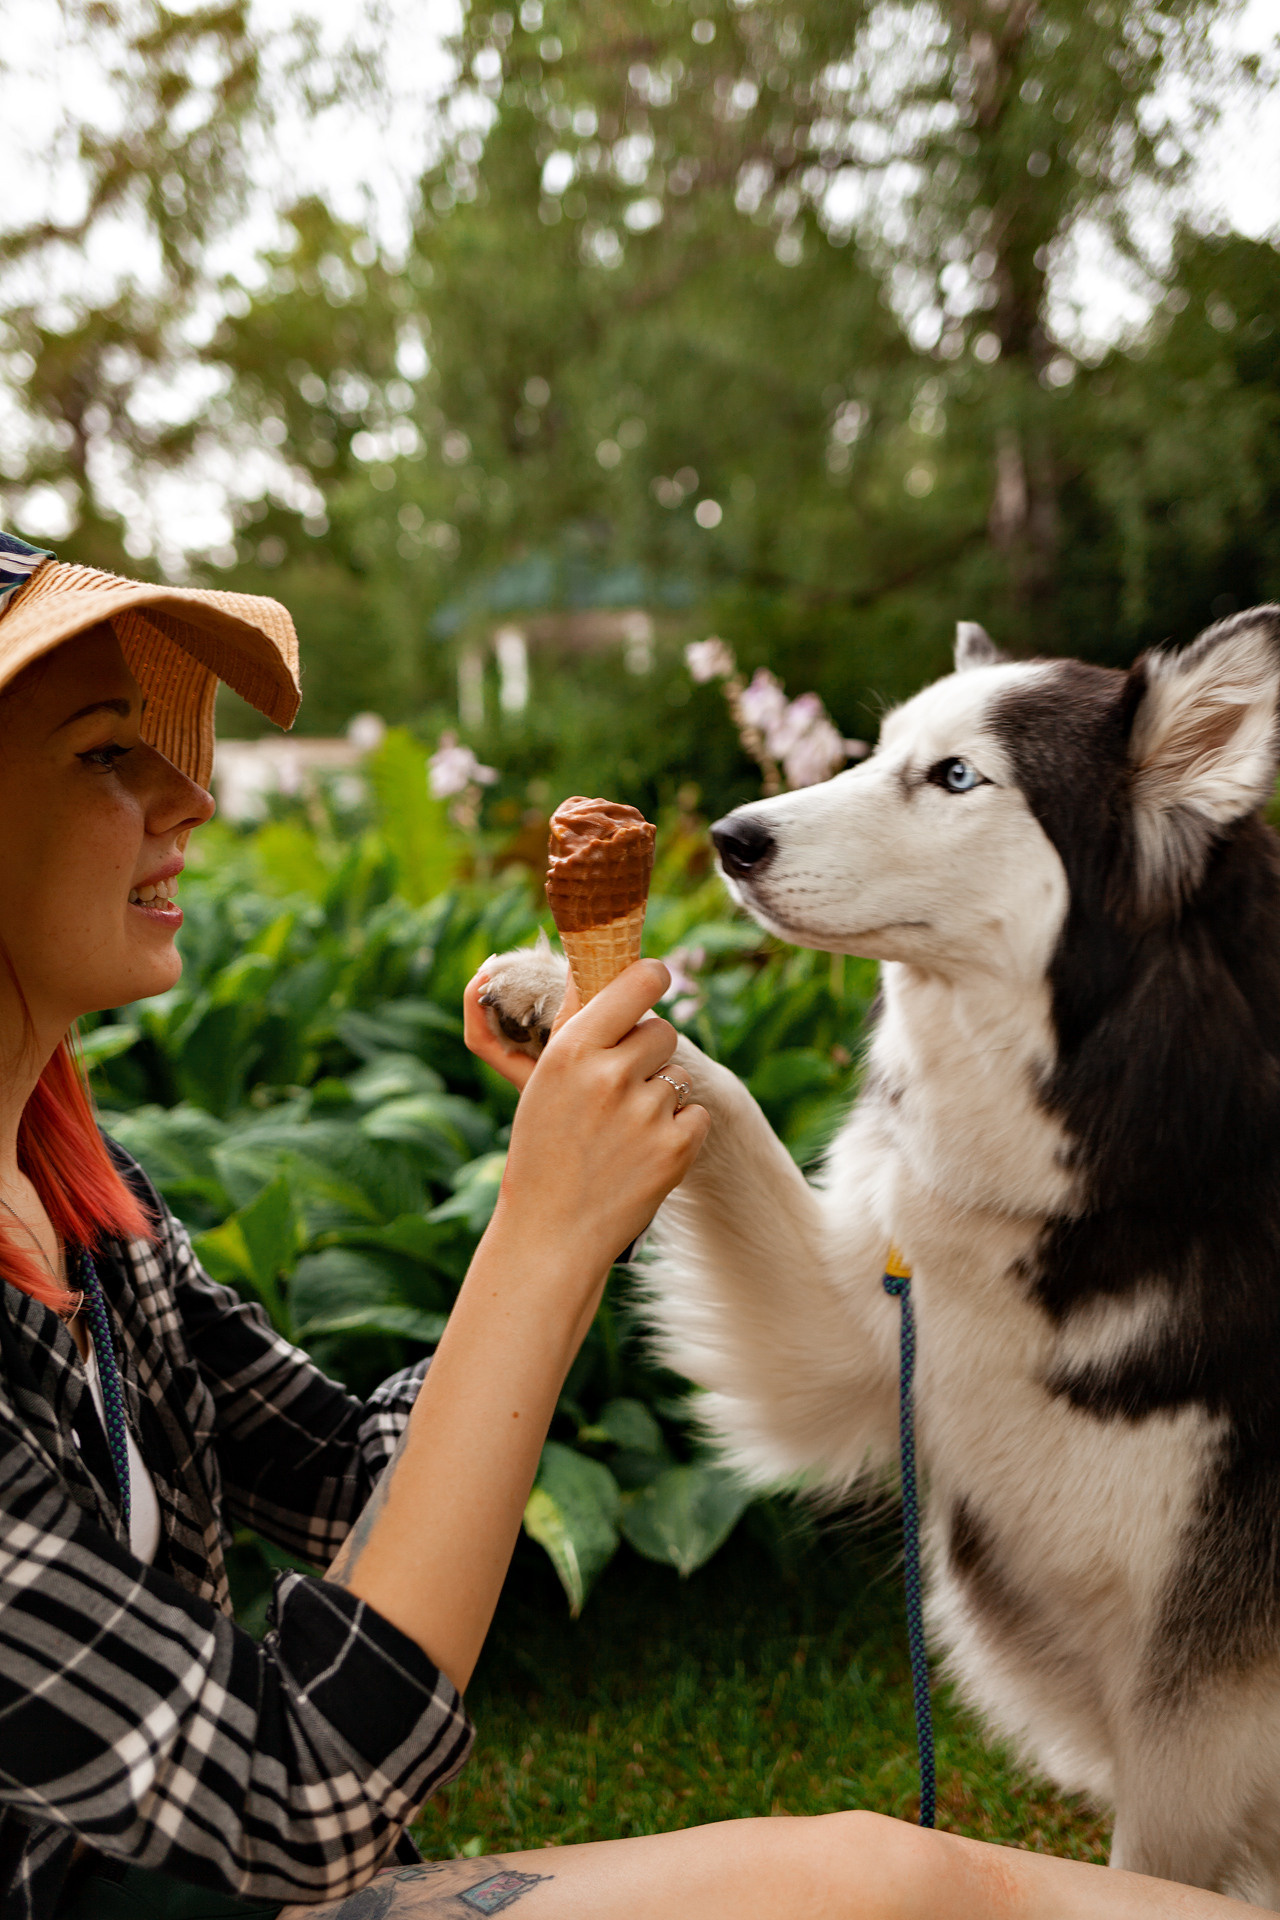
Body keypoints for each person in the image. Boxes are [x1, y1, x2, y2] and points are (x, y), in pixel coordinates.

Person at [0, 531, 1264, 1920]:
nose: (192, 794)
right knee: (895, 1887)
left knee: (884, 1873)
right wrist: (540, 1237)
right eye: (108, 752)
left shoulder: (84, 1209)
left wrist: (590, 1194)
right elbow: (300, 1791)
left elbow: (365, 1480)